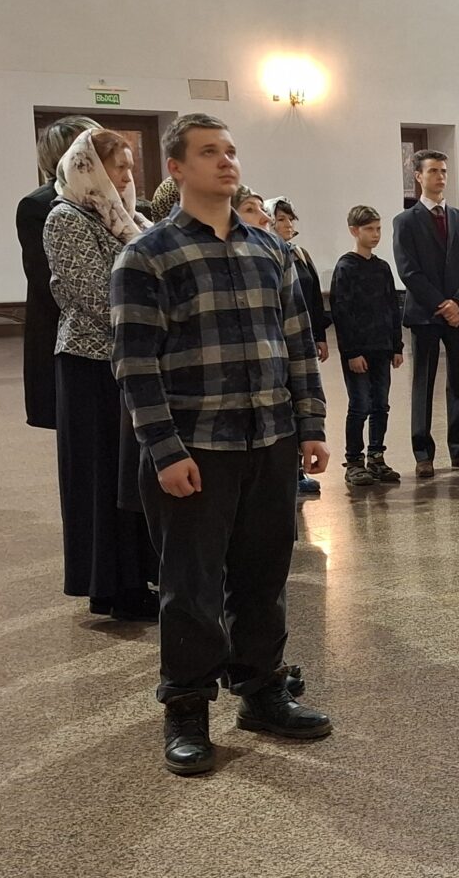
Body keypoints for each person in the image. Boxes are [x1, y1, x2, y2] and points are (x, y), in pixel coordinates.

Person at [111, 113, 331, 776]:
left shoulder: (271, 251)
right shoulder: (147, 257)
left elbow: (297, 344)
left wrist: (311, 425)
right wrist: (164, 449)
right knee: (191, 587)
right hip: (196, 447)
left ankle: (261, 692)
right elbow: (135, 365)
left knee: (264, 577)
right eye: (209, 152)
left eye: (231, 150)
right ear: (177, 168)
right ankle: (186, 709)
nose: (226, 161)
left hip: (269, 438)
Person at [43, 128, 156, 621]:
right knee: (101, 475)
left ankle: (139, 577)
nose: (128, 176)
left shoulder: (127, 218)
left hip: (127, 359)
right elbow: (94, 293)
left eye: (130, 166)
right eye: (119, 167)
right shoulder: (65, 217)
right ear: (90, 168)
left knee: (130, 476)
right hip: (90, 365)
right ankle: (111, 586)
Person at [391, 149, 459, 476]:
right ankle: (423, 453)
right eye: (433, 171)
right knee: (424, 382)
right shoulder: (405, 222)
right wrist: (442, 304)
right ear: (418, 176)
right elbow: (409, 271)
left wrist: (458, 303)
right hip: (425, 314)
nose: (440, 177)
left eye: (444, 171)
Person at [18, 115, 100, 430]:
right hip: (66, 334)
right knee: (78, 427)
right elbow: (49, 280)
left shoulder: (117, 199)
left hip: (107, 334)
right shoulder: (39, 206)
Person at [329, 205, 405, 488]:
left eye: (378, 229)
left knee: (380, 404)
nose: (375, 234)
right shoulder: (345, 267)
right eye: (369, 229)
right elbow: (342, 312)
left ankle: (376, 456)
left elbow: (392, 308)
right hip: (358, 350)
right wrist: (351, 352)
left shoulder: (382, 267)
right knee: (360, 404)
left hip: (382, 348)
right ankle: (353, 461)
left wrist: (396, 346)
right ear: (354, 230)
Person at [269, 199, 332, 497]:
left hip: (301, 337)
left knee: (305, 401)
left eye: (290, 218)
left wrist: (319, 336)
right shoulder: (268, 255)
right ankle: (289, 470)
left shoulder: (300, 254)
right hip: (277, 342)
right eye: (281, 219)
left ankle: (300, 467)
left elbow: (314, 298)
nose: (288, 224)